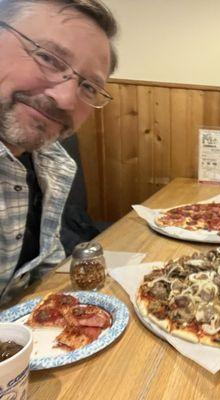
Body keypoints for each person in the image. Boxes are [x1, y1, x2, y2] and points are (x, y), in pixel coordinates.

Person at [0, 0, 118, 305]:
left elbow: (44, 281)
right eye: (48, 58)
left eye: (89, 87)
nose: (66, 100)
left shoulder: (52, 163)